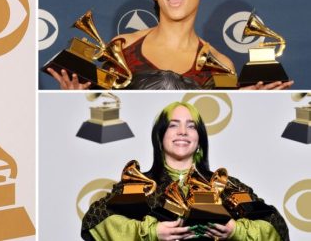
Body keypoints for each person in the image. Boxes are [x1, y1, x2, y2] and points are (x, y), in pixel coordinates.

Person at [47, 0, 293, 90]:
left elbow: (218, 133)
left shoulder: (221, 64)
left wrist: (248, 108)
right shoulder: (122, 47)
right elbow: (105, 113)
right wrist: (76, 101)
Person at [81, 102, 289, 240]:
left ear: (199, 140)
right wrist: (151, 232)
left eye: (191, 126)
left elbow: (274, 225)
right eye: (173, 125)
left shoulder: (228, 186)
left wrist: (236, 231)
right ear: (160, 138)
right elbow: (95, 221)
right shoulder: (138, 184)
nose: (182, 132)